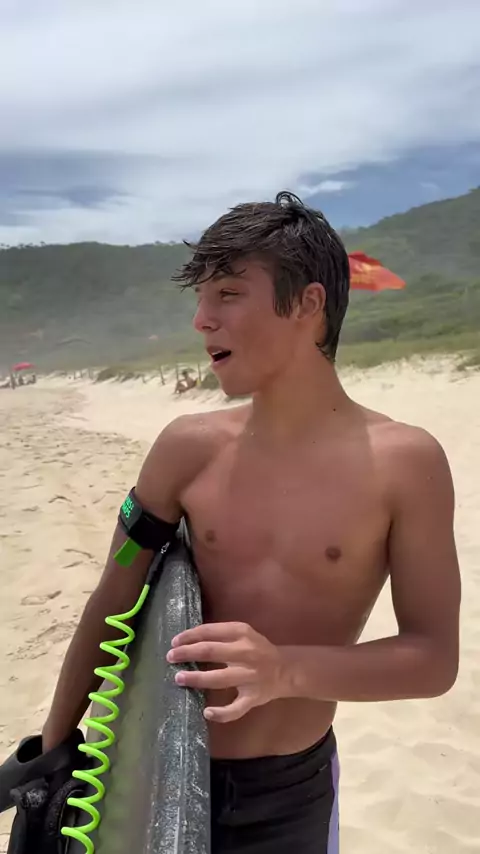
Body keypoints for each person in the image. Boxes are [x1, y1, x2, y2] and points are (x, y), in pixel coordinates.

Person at [42, 192, 461, 853]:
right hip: (147, 775)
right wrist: (51, 747)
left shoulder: (406, 466)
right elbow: (115, 589)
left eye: (229, 294)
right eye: (201, 298)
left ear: (308, 304)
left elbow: (433, 659)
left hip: (289, 794)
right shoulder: (187, 449)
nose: (202, 320)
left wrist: (284, 671)